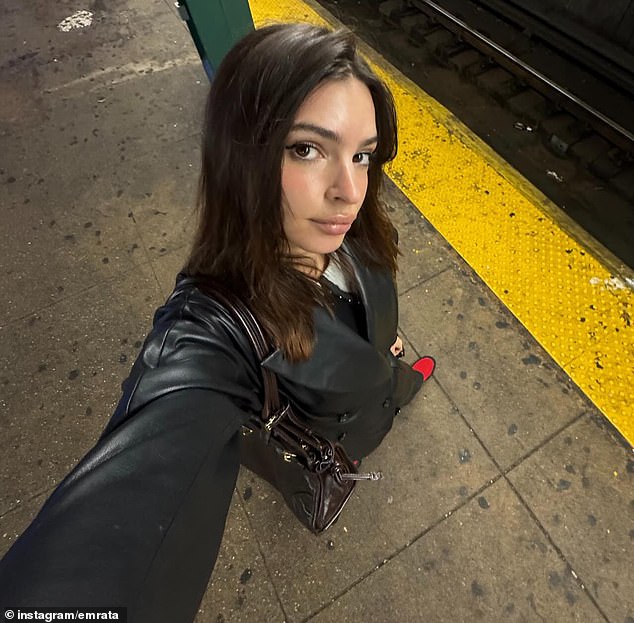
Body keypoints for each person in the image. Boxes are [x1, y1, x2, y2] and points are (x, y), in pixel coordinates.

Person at [0, 22, 435, 621]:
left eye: (362, 154)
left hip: (380, 380)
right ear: (244, 155)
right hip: (336, 434)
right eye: (306, 148)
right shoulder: (219, 326)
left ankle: (400, 379)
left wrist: (384, 341)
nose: (350, 190)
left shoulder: (349, 225)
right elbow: (121, 512)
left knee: (393, 378)